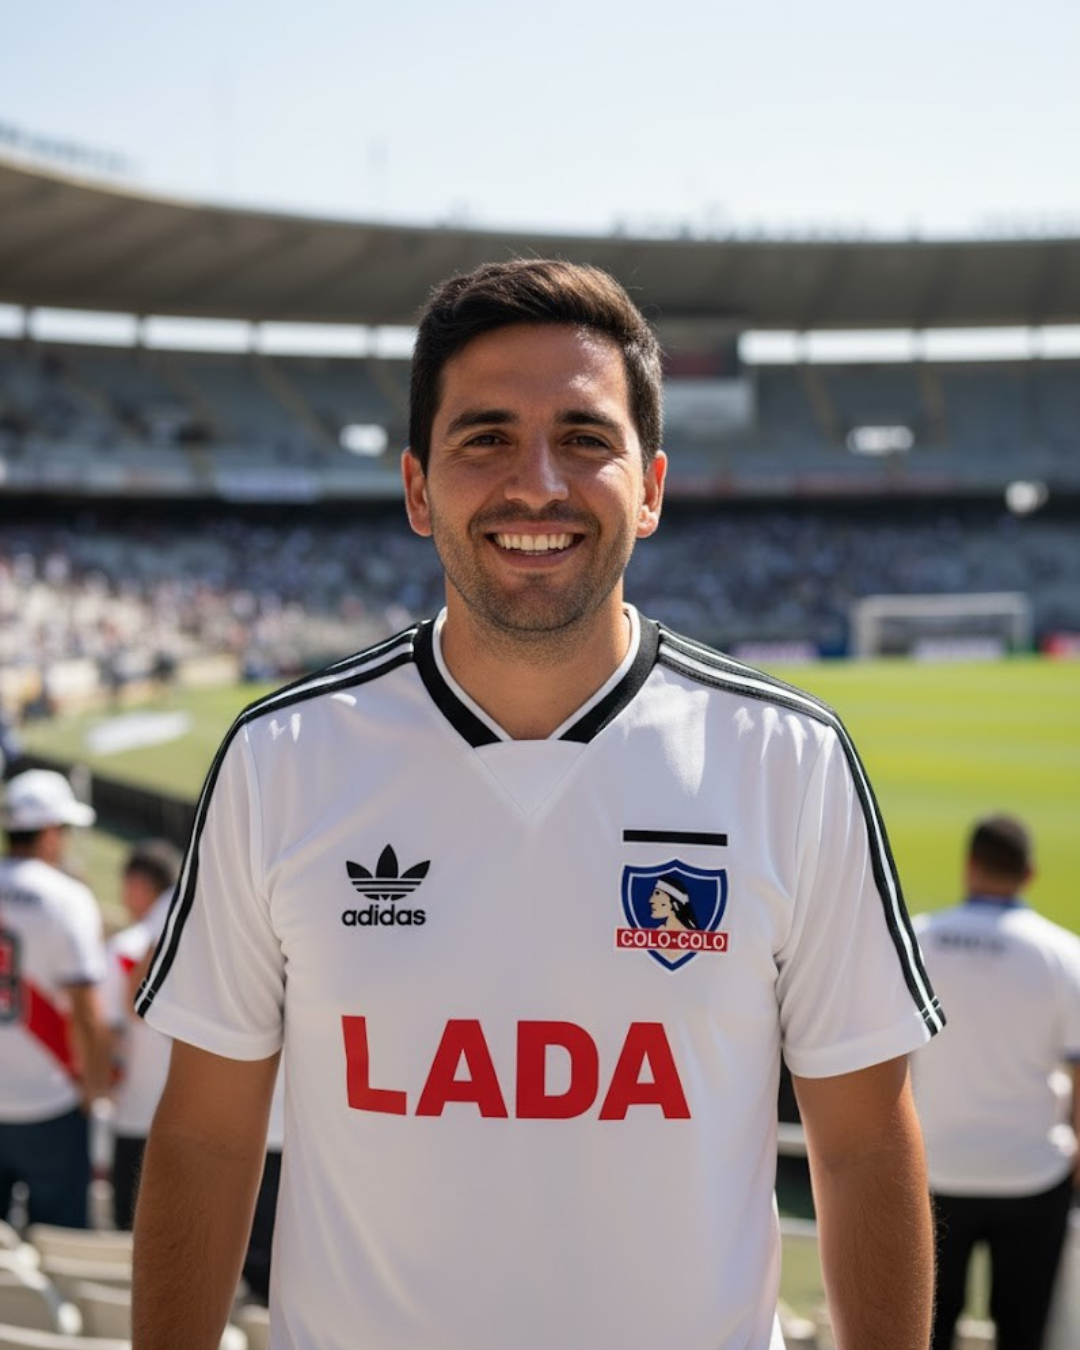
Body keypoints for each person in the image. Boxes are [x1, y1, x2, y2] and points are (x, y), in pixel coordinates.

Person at [131, 258, 944, 1350]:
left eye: (585, 437)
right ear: (418, 488)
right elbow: (207, 1137)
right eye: (487, 439)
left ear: (650, 489)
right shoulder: (282, 759)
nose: (538, 485)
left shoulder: (788, 760)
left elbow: (861, 1146)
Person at [912, 814, 1080, 1350]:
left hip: (934, 1168)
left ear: (969, 865)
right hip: (1033, 1174)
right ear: (1029, 873)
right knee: (1023, 1333)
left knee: (928, 1332)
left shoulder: (915, 939)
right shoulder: (1064, 954)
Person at [0, 768, 111, 1228]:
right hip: (51, 1102)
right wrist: (95, 1091)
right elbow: (86, 1009)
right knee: (60, 1238)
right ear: (48, 833)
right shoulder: (67, 898)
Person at [103, 838, 183, 1229]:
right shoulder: (208, 938)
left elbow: (110, 1031)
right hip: (197, 1122)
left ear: (137, 884)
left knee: (129, 1242)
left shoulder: (125, 948)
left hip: (138, 1118)